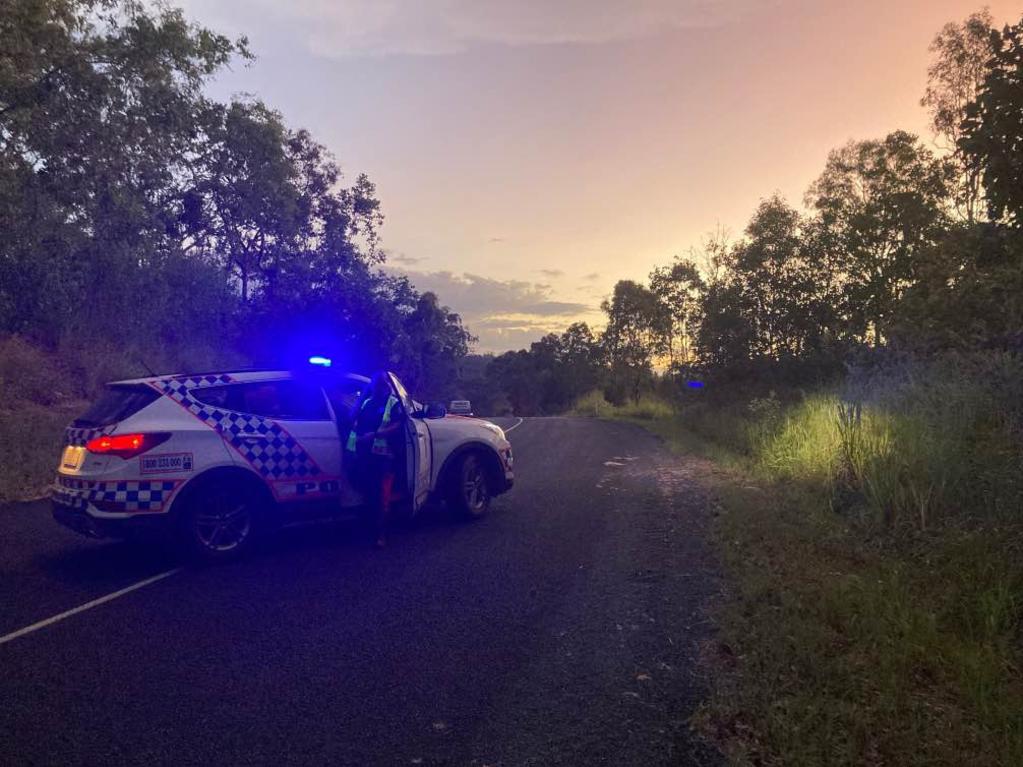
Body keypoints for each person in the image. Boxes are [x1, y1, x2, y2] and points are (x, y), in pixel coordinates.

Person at [345, 372, 405, 547]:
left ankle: (381, 534)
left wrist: (376, 434)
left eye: (381, 383)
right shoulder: (367, 402)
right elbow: (352, 420)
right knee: (369, 494)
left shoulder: (393, 403)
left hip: (383, 456)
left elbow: (398, 424)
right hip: (365, 454)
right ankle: (370, 530)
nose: (379, 386)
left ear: (387, 385)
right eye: (375, 383)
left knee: (380, 495)